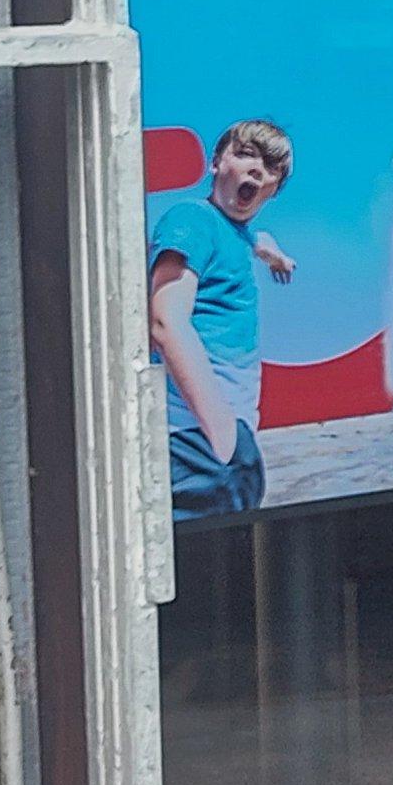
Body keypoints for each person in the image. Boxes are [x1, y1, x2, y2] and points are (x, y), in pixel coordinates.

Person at [151, 118, 296, 518]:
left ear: (274, 189)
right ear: (215, 163)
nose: (257, 170)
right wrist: (221, 431)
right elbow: (165, 321)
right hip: (194, 439)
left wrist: (274, 254)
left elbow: (255, 239)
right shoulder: (192, 219)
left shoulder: (234, 232)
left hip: (219, 443)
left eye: (271, 167)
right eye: (246, 155)